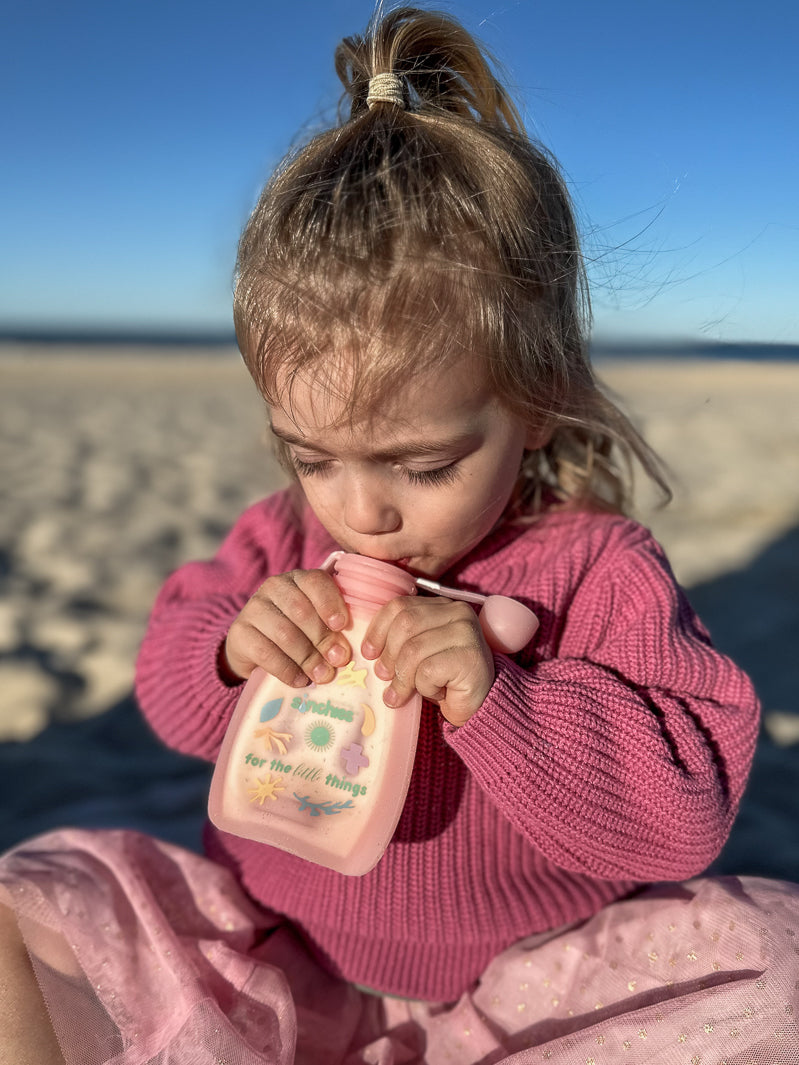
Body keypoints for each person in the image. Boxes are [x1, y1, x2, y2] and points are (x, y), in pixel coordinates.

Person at [1, 7, 797, 1064]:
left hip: (538, 977)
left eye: (422, 467)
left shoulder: (596, 569)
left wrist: (499, 700)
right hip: (276, 951)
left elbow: (680, 812)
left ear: (538, 404)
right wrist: (235, 650)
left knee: (773, 971)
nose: (359, 511)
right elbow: (170, 690)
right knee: (24, 914)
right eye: (312, 455)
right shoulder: (281, 539)